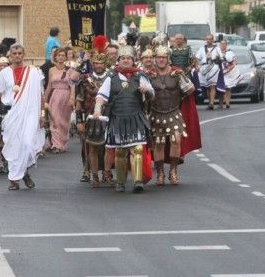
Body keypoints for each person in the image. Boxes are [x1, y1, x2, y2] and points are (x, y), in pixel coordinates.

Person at [93, 45, 154, 193]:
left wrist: (147, 91)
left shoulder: (140, 75)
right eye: (123, 58)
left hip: (136, 117)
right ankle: (120, 182)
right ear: (118, 60)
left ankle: (138, 181)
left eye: (128, 58)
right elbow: (101, 95)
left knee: (137, 149)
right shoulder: (111, 76)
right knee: (120, 151)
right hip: (118, 118)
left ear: (133, 60)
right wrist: (97, 109)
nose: (126, 61)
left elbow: (152, 93)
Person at [0, 43, 46, 190]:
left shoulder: (34, 72)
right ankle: (14, 179)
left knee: (27, 144)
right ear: (10, 56)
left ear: (24, 54)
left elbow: (41, 96)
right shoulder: (4, 73)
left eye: (20, 53)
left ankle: (24, 172)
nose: (17, 56)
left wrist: (42, 114)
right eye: (14, 54)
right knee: (14, 146)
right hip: (10, 115)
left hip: (30, 116)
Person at [148, 46, 194, 185]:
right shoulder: (148, 75)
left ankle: (173, 171)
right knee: (159, 144)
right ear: (155, 59)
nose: (161, 59)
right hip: (156, 113)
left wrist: (181, 95)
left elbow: (190, 89)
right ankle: (160, 172)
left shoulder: (177, 74)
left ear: (168, 59)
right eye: (159, 57)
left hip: (173, 112)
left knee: (176, 140)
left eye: (164, 57)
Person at [75, 50, 115, 187]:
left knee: (108, 148)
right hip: (90, 117)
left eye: (101, 63)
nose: (98, 66)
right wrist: (79, 121)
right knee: (92, 148)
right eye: (96, 63)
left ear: (105, 64)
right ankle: (94, 176)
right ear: (93, 64)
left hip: (108, 116)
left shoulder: (111, 78)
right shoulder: (85, 79)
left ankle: (106, 173)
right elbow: (79, 101)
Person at [45, 48, 75, 153]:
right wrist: (45, 99)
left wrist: (72, 97)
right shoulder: (51, 70)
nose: (61, 57)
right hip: (54, 96)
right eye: (59, 55)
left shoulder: (69, 70)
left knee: (64, 121)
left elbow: (72, 85)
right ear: (55, 57)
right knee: (54, 119)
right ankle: (56, 145)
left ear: (66, 57)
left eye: (63, 55)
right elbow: (49, 85)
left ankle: (62, 143)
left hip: (66, 96)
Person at [196, 34, 225, 110]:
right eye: (207, 39)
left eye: (210, 39)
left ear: (213, 40)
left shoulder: (217, 49)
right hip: (204, 68)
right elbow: (197, 58)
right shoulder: (201, 49)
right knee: (207, 87)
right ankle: (210, 103)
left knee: (212, 86)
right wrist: (197, 66)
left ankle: (212, 103)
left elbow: (222, 57)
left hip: (213, 67)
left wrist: (218, 58)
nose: (208, 41)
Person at [219, 39, 240, 108]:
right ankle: (222, 102)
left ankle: (227, 102)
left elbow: (234, 62)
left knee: (228, 88)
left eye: (224, 44)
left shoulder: (230, 53)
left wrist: (229, 68)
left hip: (229, 72)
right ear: (220, 45)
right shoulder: (217, 52)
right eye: (221, 44)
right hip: (220, 72)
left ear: (226, 45)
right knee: (222, 87)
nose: (223, 45)